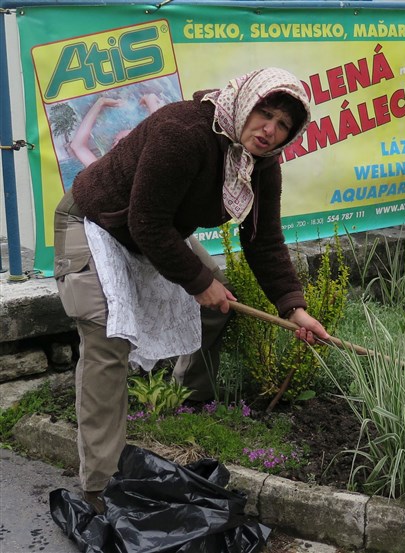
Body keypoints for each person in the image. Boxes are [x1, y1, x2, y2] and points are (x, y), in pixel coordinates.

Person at [52, 68, 330, 514]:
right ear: (247, 102)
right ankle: (98, 488)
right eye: (266, 113)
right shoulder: (183, 131)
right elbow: (146, 221)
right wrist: (198, 283)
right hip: (96, 221)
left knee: (222, 303)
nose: (270, 131)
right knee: (107, 341)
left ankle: (187, 397)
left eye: (283, 126)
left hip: (155, 230)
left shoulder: (260, 164)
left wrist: (293, 308)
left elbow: (264, 240)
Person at [68, 93, 165, 168]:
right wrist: (150, 101)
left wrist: (100, 103)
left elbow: (78, 146)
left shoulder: (106, 172)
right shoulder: (150, 161)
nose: (115, 140)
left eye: (116, 141)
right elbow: (158, 132)